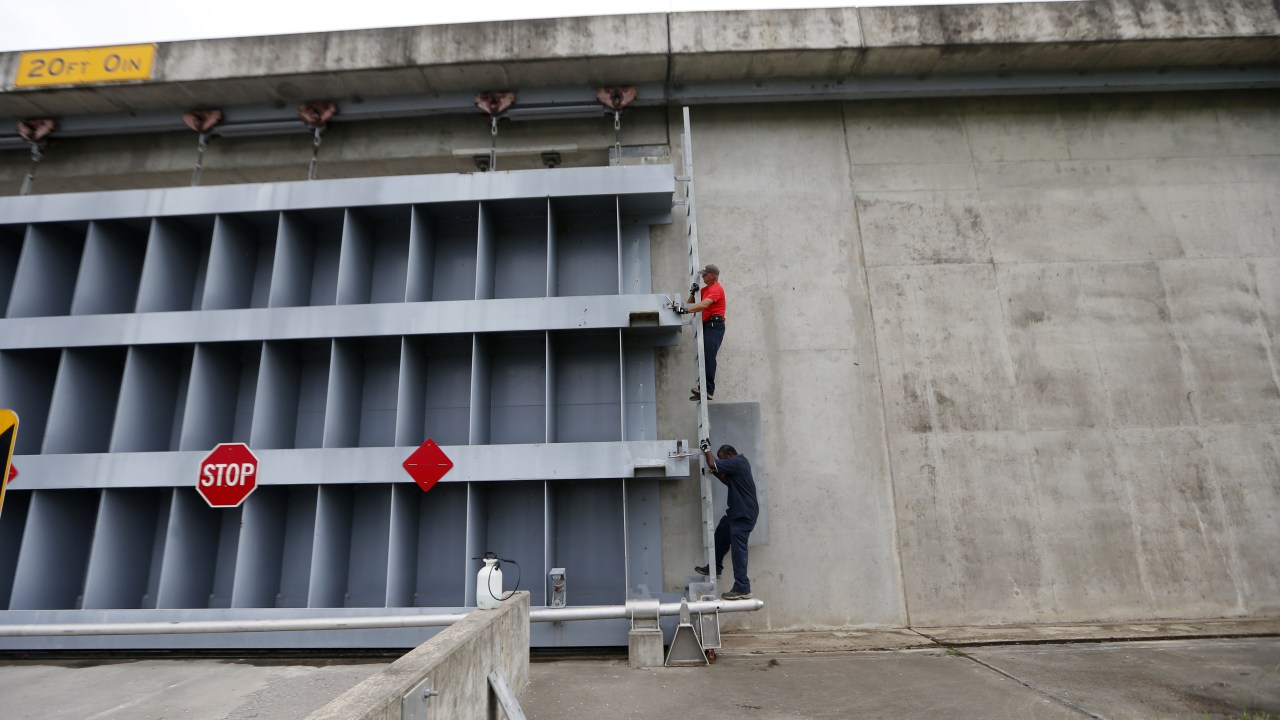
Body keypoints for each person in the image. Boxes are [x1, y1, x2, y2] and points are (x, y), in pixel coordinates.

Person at [694, 443, 758, 600]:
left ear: (730, 455)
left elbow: (712, 463)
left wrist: (707, 449)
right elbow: (726, 481)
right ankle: (715, 567)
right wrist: (715, 473)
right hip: (737, 513)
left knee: (738, 551)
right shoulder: (738, 467)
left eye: (723, 459)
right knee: (721, 533)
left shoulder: (739, 462)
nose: (722, 462)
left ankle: (743, 588)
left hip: (744, 515)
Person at [683, 264, 726, 401]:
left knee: (709, 356)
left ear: (712, 276)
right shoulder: (705, 290)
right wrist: (692, 293)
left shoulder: (716, 289)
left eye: (705, 274)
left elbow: (703, 305)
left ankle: (708, 389)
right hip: (707, 325)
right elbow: (691, 304)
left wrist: (684, 311)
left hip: (715, 325)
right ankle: (703, 388)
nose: (702, 276)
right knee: (703, 356)